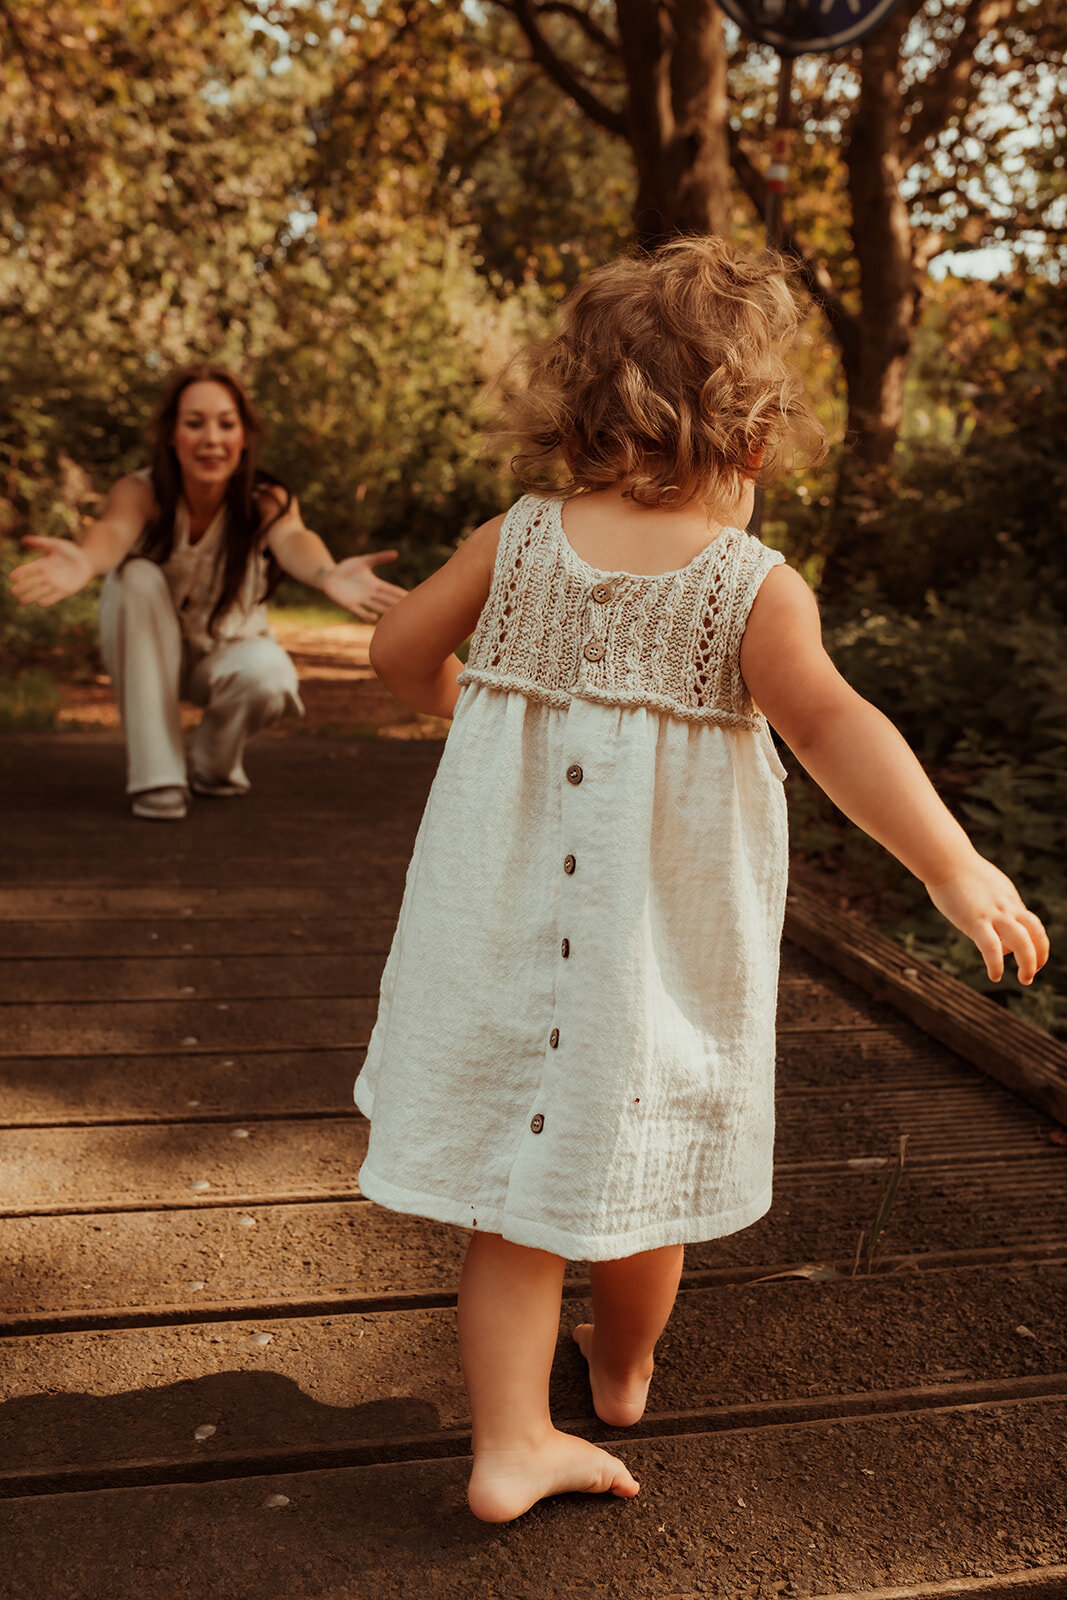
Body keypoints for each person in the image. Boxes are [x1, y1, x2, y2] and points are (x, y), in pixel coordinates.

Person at [355, 238, 1049, 1524]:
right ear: (752, 430)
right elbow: (837, 730)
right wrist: (953, 867)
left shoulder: (515, 541)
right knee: (641, 1167)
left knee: (514, 1194)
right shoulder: (748, 587)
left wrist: (462, 702)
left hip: (499, 933)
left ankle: (509, 1438)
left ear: (575, 409)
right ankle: (618, 1373)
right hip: (648, 953)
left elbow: (396, 647)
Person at [8, 364, 405, 819]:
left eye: (226, 424)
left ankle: (214, 767)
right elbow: (113, 532)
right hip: (148, 656)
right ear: (172, 436)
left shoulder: (265, 498)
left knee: (270, 675)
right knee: (135, 576)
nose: (211, 439)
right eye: (194, 423)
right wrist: (84, 560)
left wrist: (327, 573)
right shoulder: (141, 491)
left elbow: (293, 538)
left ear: (243, 437)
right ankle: (158, 779)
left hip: (223, 654)